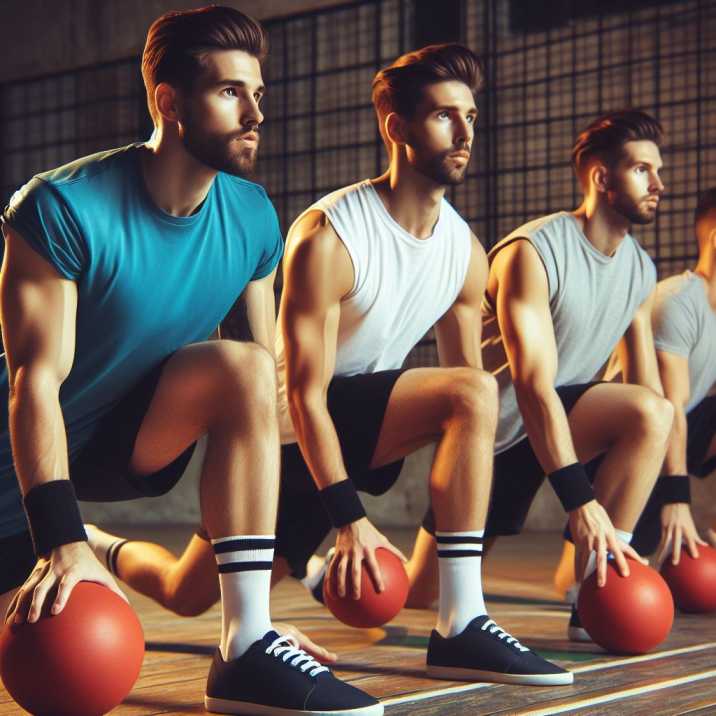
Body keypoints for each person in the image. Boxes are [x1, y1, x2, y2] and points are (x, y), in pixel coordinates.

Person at [83, 43, 573, 687]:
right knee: (185, 593)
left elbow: (468, 408)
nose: (463, 133)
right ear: (396, 128)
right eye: (443, 116)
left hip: (356, 442)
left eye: (471, 116)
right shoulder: (332, 235)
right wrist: (351, 518)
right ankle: (101, 543)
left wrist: (444, 537)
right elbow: (302, 395)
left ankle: (462, 619)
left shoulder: (465, 251)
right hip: (287, 440)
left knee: (474, 393)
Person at [0, 7, 380, 715]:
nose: (254, 113)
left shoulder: (253, 216)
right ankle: (87, 539)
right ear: (168, 102)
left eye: (258, 94)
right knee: (80, 648)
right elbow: (35, 384)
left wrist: (264, 600)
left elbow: (266, 388)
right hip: (20, 466)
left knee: (245, 369)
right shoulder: (60, 206)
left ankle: (246, 648)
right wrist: (58, 539)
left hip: (124, 439)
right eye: (231, 92)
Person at [406, 109, 675, 643]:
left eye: (656, 171)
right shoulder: (534, 252)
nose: (659, 185)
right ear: (601, 178)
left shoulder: (641, 269)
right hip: (495, 436)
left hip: (562, 422)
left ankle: (598, 588)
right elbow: (531, 384)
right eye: (643, 170)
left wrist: (668, 503)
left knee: (651, 411)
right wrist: (581, 502)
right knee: (417, 595)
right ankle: (329, 573)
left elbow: (649, 395)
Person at [554, 187, 716, 598]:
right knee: (573, 582)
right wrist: (677, 498)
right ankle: (582, 566)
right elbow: (670, 407)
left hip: (671, 443)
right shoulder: (677, 303)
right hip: (622, 441)